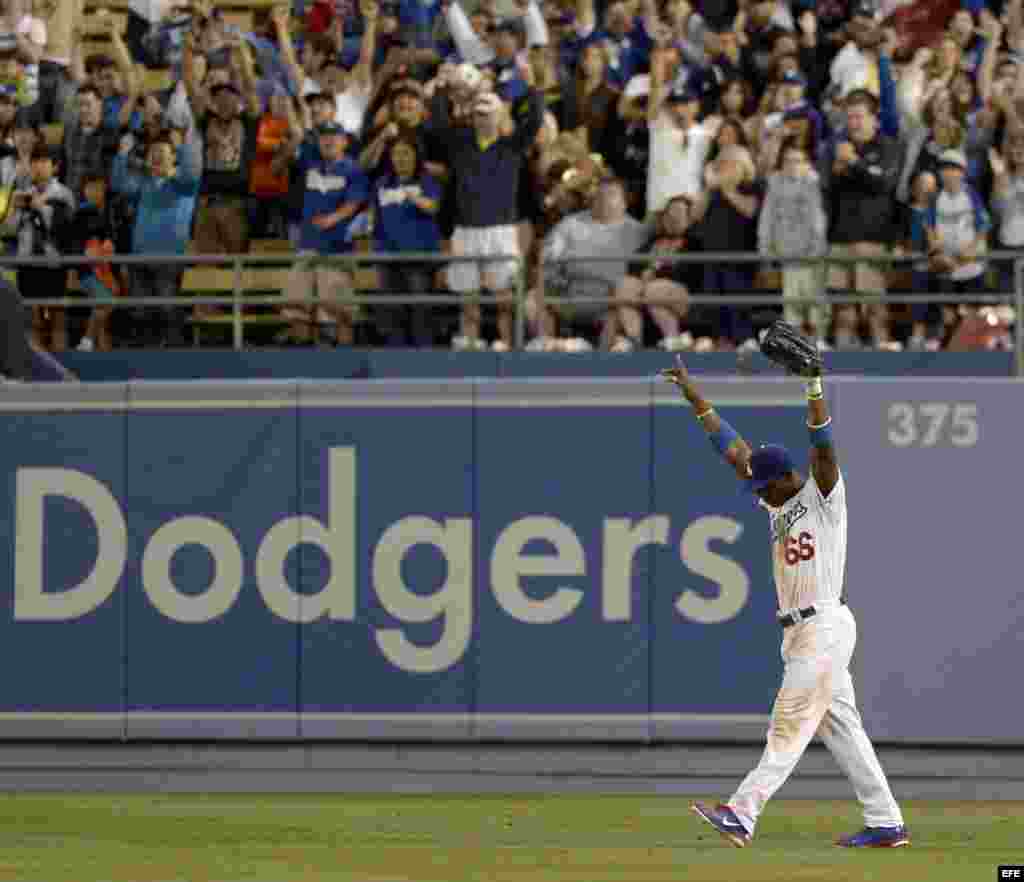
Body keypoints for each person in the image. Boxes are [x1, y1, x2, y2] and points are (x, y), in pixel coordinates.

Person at [660, 350, 909, 849]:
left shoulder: (823, 498)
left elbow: (823, 447)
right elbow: (733, 450)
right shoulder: (774, 501)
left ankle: (741, 812)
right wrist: (694, 396)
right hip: (800, 631)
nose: (756, 492)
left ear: (782, 479)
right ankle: (886, 822)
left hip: (822, 625)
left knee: (789, 723)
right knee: (843, 728)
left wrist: (814, 386)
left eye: (761, 486)